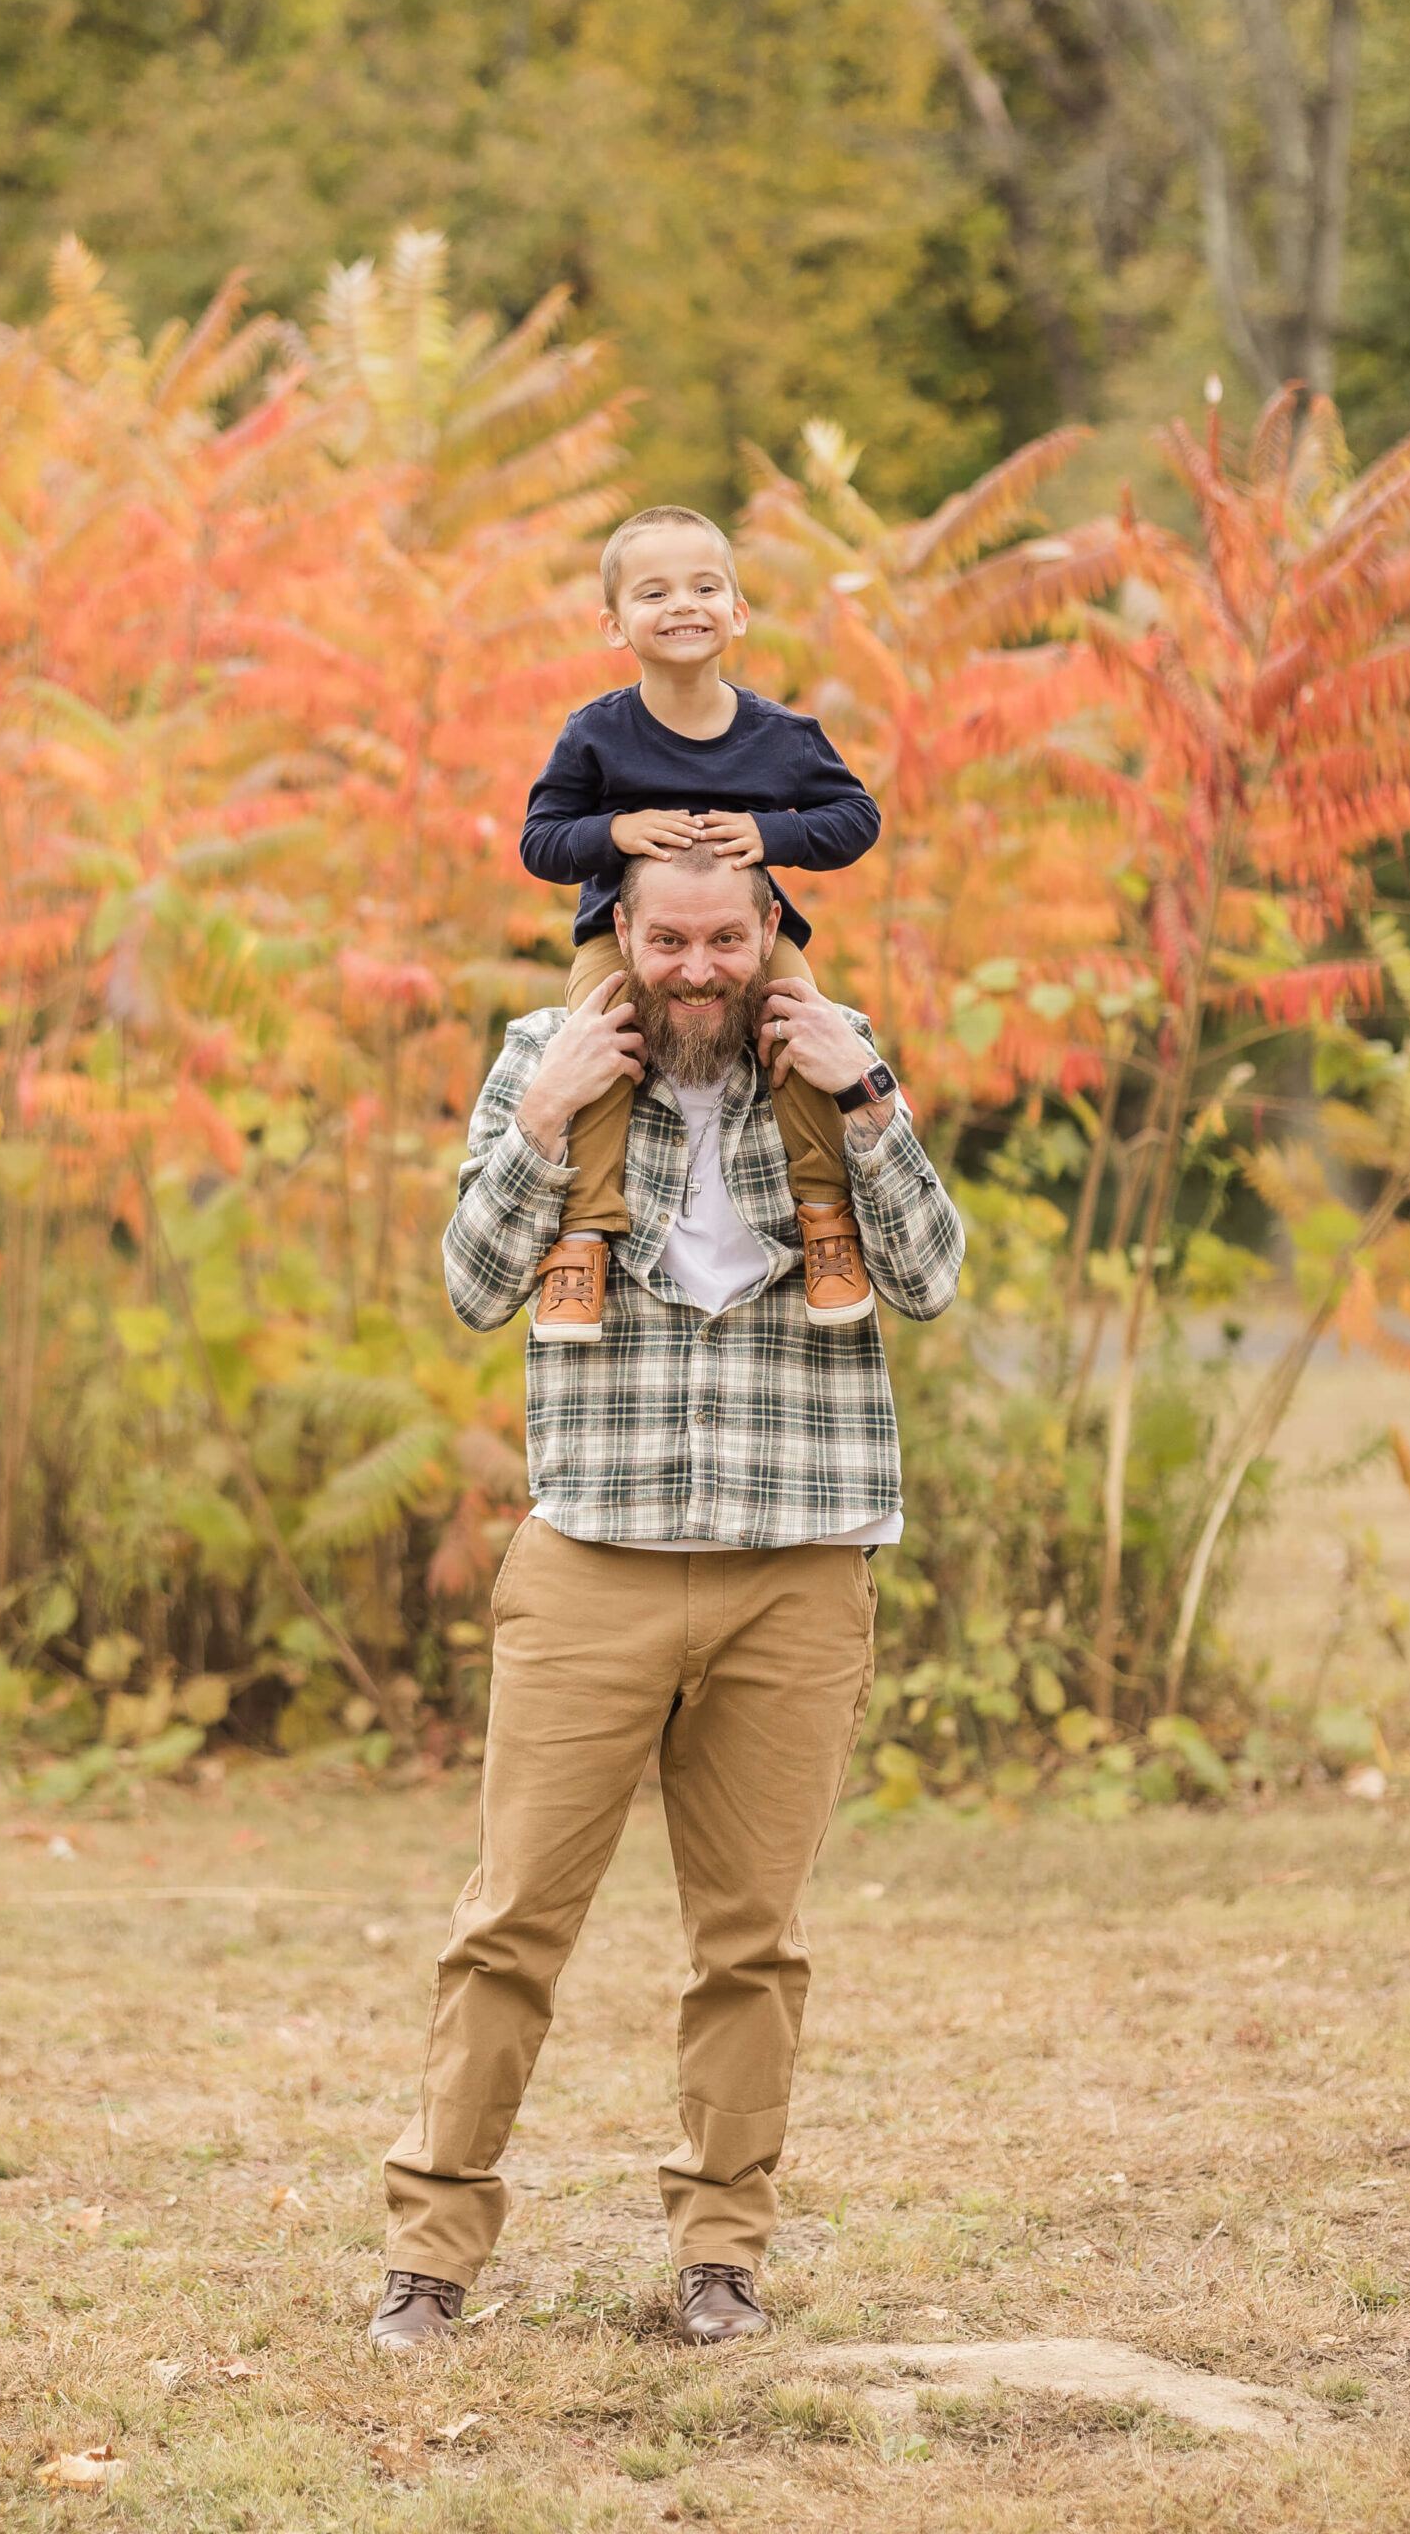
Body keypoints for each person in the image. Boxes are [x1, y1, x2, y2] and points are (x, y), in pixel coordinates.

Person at [369, 839, 965, 2352]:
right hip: (594, 1561)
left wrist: (871, 1097)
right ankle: (429, 2267)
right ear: (619, 936)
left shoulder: (834, 1058)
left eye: (725, 939)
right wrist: (546, 1111)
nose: (698, 969)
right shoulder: (542, 1054)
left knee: (750, 1942)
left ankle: (720, 2262)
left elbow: (933, 1277)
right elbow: (473, 1282)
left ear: (770, 928)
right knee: (508, 1930)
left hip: (801, 1555)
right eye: (668, 942)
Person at [517, 504, 883, 1343]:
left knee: (803, 1027)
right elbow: (540, 841)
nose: (683, 604)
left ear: (738, 612)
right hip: (627, 939)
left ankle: (825, 1218)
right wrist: (613, 833)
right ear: (615, 625)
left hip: (751, 933)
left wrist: (774, 834)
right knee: (598, 1038)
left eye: (705, 586)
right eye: (654, 592)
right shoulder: (596, 734)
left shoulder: (781, 737)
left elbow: (856, 817)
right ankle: (584, 1238)